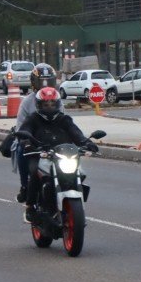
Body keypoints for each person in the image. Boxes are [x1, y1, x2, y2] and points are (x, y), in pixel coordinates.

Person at [17, 87, 98, 223]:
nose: (49, 107)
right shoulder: (33, 119)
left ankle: (73, 207)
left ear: (58, 104)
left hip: (63, 155)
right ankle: (30, 207)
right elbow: (25, 131)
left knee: (79, 173)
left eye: (52, 104)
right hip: (40, 154)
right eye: (46, 105)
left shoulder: (64, 119)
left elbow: (76, 133)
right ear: (39, 105)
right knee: (34, 171)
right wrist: (26, 143)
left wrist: (87, 143)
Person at [11, 63, 62, 203]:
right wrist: (26, 141)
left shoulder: (58, 100)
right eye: (41, 82)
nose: (45, 86)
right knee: (21, 150)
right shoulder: (27, 102)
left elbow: (67, 123)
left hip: (53, 139)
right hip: (32, 141)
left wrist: (81, 141)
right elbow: (21, 127)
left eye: (49, 82)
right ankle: (25, 186)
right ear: (34, 83)